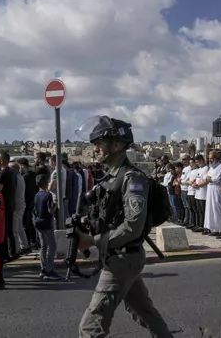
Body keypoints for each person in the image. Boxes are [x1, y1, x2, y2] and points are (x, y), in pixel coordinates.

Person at [74, 115, 173, 337]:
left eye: (100, 143)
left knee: (90, 328)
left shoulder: (132, 178)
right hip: (119, 255)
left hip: (123, 258)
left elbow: (132, 227)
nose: (96, 148)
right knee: (143, 311)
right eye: (95, 144)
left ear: (117, 145)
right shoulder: (110, 177)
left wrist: (92, 241)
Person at [34, 174, 61, 280]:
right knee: (52, 246)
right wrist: (55, 204)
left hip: (38, 222)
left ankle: (43, 268)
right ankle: (49, 270)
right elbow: (50, 210)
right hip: (46, 223)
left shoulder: (37, 195)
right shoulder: (48, 195)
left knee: (43, 246)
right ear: (46, 184)